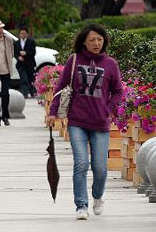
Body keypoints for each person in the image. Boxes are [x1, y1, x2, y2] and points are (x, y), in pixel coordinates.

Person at [47, 23, 123, 220]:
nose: (96, 43)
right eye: (92, 40)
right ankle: (81, 205)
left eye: (99, 39)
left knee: (99, 167)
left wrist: (109, 109)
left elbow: (118, 92)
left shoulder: (110, 64)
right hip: (77, 122)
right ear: (84, 42)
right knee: (80, 164)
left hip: (100, 123)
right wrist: (52, 112)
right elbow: (60, 87)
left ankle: (97, 196)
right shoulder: (74, 60)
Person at [14, 27, 36, 98]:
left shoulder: (31, 42)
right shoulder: (16, 43)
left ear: (27, 34)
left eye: (24, 33)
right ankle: (25, 94)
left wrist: (26, 53)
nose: (22, 35)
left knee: (30, 79)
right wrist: (18, 57)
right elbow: (15, 53)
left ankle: (32, 93)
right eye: (21, 33)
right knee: (23, 79)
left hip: (29, 64)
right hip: (20, 65)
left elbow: (33, 52)